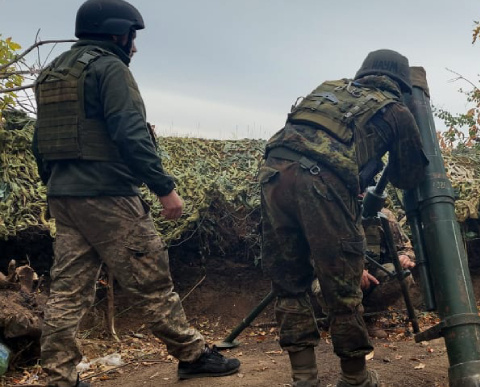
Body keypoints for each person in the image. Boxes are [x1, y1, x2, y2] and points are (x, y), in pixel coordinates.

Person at [32, 1, 240, 386]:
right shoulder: (108, 68)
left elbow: (38, 140)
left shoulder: (54, 72)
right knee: (151, 278)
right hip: (109, 196)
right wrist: (165, 189)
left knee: (67, 291)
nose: (135, 46)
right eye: (133, 36)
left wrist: (58, 183)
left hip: (64, 195)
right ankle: (192, 355)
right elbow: (131, 133)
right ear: (116, 33)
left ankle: (59, 377)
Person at [259, 49, 428, 387]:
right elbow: (409, 177)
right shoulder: (395, 110)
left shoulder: (329, 88)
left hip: (272, 173)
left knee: (289, 281)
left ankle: (304, 378)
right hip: (322, 181)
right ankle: (355, 379)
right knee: (342, 284)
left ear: (364, 74)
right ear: (399, 85)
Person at [312, 206, 416, 339]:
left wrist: (405, 257)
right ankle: (340, 322)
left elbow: (404, 248)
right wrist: (353, 269)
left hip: (373, 274)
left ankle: (365, 320)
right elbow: (315, 255)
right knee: (322, 287)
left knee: (402, 277)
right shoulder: (327, 211)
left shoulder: (382, 214)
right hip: (336, 273)